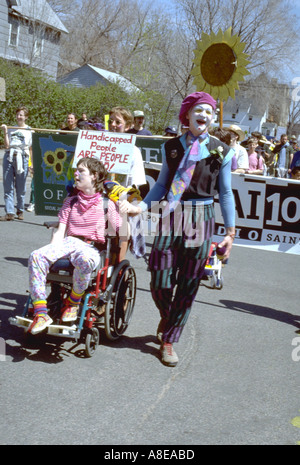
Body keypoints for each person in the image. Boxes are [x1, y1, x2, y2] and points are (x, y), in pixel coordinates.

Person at [120, 92, 235, 367]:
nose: (204, 115)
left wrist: (230, 233)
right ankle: (169, 316)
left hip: (202, 215)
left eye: (209, 111)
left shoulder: (222, 151)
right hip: (171, 212)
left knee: (189, 282)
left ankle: (169, 339)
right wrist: (141, 207)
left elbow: (227, 193)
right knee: (160, 277)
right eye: (199, 109)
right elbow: (160, 185)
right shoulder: (171, 147)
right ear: (187, 114)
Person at [27, 158, 123, 335]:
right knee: (36, 256)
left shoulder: (106, 204)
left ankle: (73, 302)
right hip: (68, 242)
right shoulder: (70, 201)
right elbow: (60, 231)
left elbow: (122, 231)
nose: (76, 174)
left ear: (94, 176)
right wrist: (51, 254)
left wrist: (125, 207)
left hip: (91, 247)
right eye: (76, 171)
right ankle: (41, 313)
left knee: (85, 260)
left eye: (81, 171)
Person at [1, 106, 33, 221]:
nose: (19, 117)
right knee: (8, 185)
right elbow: (7, 146)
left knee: (21, 186)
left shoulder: (30, 130)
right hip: (9, 157)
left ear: (26, 117)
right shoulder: (11, 128)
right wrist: (5, 132)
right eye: (18, 114)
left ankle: (20, 210)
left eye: (21, 115)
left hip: (22, 158)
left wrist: (31, 164)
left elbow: (31, 149)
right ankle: (10, 212)